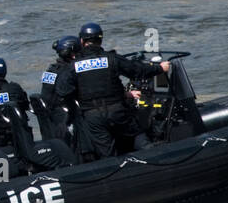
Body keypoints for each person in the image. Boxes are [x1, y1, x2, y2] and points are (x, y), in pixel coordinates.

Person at [67, 22, 170, 159]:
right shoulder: (111, 59)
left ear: (81, 41)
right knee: (136, 135)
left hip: (93, 117)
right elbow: (137, 70)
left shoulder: (73, 66)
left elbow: (63, 90)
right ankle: (158, 158)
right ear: (100, 40)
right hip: (117, 111)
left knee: (107, 155)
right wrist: (160, 68)